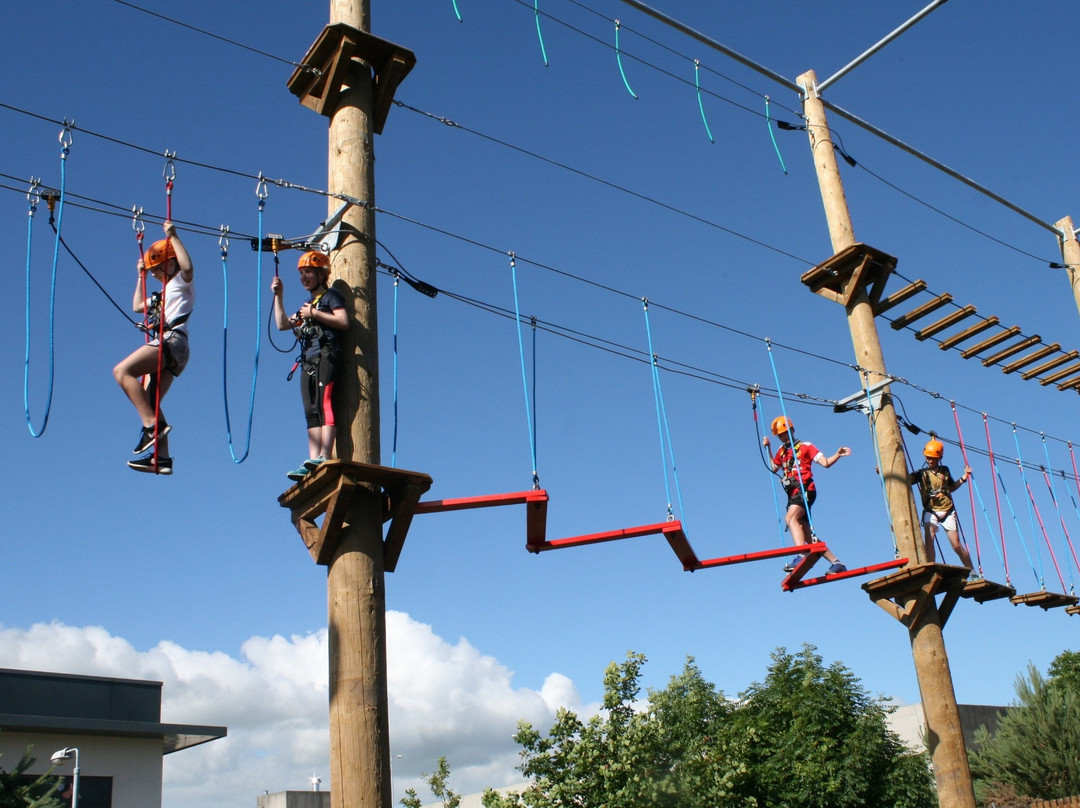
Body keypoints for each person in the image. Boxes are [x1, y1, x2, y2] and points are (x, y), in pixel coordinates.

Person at [113, 220, 194, 475]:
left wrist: (174, 236)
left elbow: (188, 267)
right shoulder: (161, 295)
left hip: (172, 341)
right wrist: (142, 276)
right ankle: (162, 458)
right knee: (151, 400)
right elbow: (137, 306)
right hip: (175, 348)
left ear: (170, 264)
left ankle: (151, 426)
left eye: (157, 269)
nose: (156, 274)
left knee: (122, 371)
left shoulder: (180, 283)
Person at [272, 250, 349, 482]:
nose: (304, 277)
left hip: (327, 355)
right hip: (308, 359)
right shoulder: (308, 305)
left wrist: (314, 314)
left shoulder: (330, 296)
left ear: (321, 274)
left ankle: (325, 454)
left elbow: (343, 321)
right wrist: (279, 296)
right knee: (311, 410)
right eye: (302, 273)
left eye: (308, 272)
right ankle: (312, 459)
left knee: (325, 403)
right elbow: (282, 324)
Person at [762, 415, 851, 575]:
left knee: (790, 518)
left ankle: (801, 554)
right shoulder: (781, 452)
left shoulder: (806, 446)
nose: (784, 437)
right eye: (780, 435)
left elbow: (825, 463)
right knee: (808, 536)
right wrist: (768, 448)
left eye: (785, 433)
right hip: (794, 495)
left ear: (792, 430)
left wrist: (837, 454)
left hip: (805, 490)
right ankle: (837, 563)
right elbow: (774, 468)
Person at [909, 438, 974, 571]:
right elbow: (906, 479)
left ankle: (972, 571)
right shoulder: (921, 474)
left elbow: (951, 488)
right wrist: (884, 471)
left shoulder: (945, 471)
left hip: (947, 510)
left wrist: (964, 477)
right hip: (931, 510)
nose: (929, 461)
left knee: (956, 545)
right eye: (928, 458)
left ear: (939, 458)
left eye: (932, 458)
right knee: (929, 536)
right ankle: (930, 568)